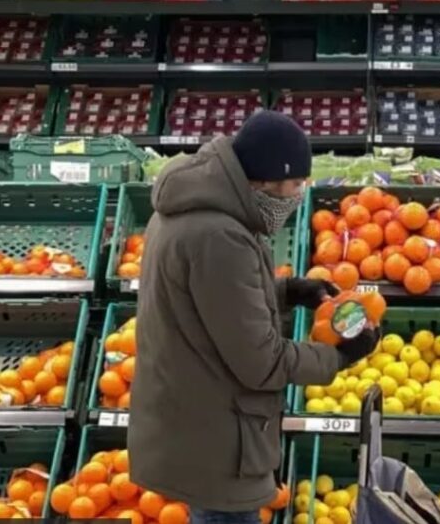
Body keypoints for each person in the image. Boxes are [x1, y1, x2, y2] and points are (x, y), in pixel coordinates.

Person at [128, 111, 380, 524]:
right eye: (296, 184)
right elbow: (261, 363)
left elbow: (209, 307)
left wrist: (285, 292)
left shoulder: (185, 211)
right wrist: (338, 356)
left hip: (192, 418)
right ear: (265, 181)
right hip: (217, 438)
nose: (299, 195)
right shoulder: (221, 237)